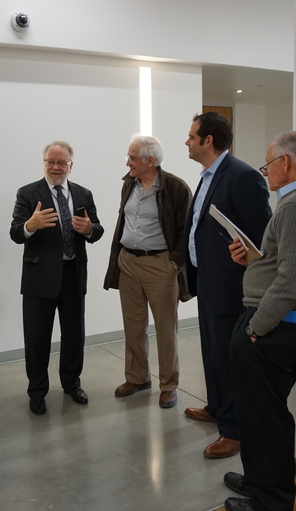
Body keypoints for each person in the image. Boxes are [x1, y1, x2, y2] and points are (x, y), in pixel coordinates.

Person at [222, 132, 296, 511]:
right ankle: (260, 481)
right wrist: (253, 260)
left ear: (285, 163)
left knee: (265, 417)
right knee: (260, 411)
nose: (266, 172)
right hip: (282, 322)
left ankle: (270, 501)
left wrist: (255, 328)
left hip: (275, 325)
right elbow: (286, 268)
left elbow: (292, 282)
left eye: (268, 164)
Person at [183, 112, 271, 459]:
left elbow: (261, 238)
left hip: (230, 285)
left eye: (192, 137)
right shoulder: (207, 176)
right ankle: (217, 407)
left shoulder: (243, 176)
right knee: (211, 350)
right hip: (206, 278)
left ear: (208, 141)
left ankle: (234, 430)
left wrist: (243, 253)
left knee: (229, 357)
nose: (187, 142)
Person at [10, 141, 104, 416]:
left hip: (73, 275)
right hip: (39, 278)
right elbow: (15, 233)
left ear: (70, 166)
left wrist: (89, 228)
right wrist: (31, 225)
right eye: (50, 161)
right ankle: (37, 391)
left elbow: (97, 230)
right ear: (44, 163)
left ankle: (72, 384)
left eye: (61, 162)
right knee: (37, 338)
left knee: (74, 335)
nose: (55, 167)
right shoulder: (28, 193)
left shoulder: (83, 194)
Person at [103, 134, 192, 409]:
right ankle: (137, 378)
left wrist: (173, 263)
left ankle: (169, 385)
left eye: (132, 158)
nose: (127, 162)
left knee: (165, 328)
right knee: (133, 326)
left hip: (160, 266)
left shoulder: (175, 188)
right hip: (128, 263)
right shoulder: (129, 183)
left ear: (151, 160)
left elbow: (187, 231)